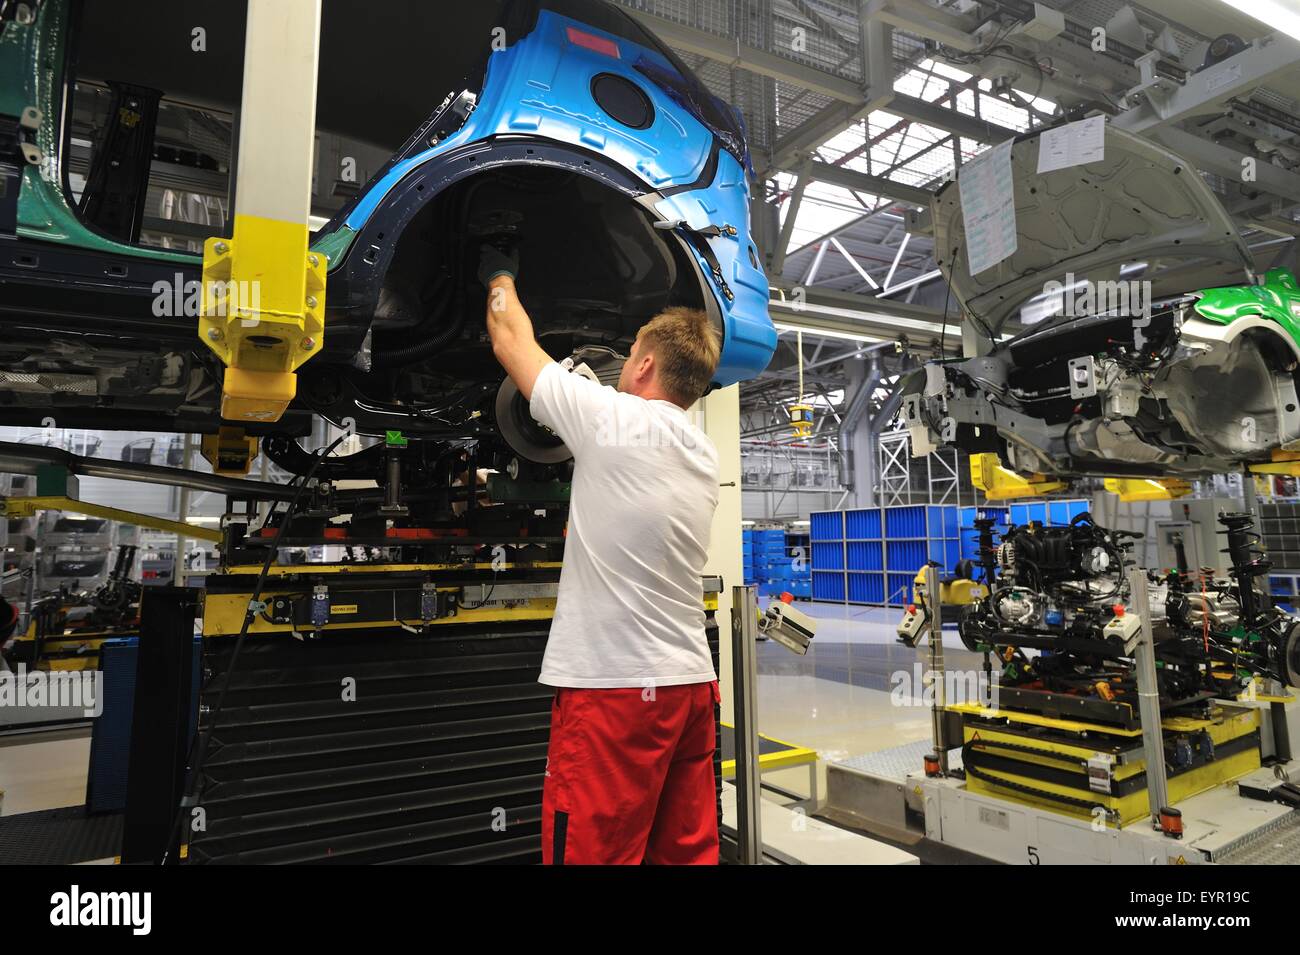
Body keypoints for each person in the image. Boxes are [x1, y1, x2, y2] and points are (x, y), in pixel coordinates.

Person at [480, 245, 722, 864]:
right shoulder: (701, 453)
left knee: (594, 854)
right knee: (684, 854)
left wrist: (498, 271)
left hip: (617, 693)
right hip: (690, 685)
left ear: (642, 364)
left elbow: (510, 338)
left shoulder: (608, 419)